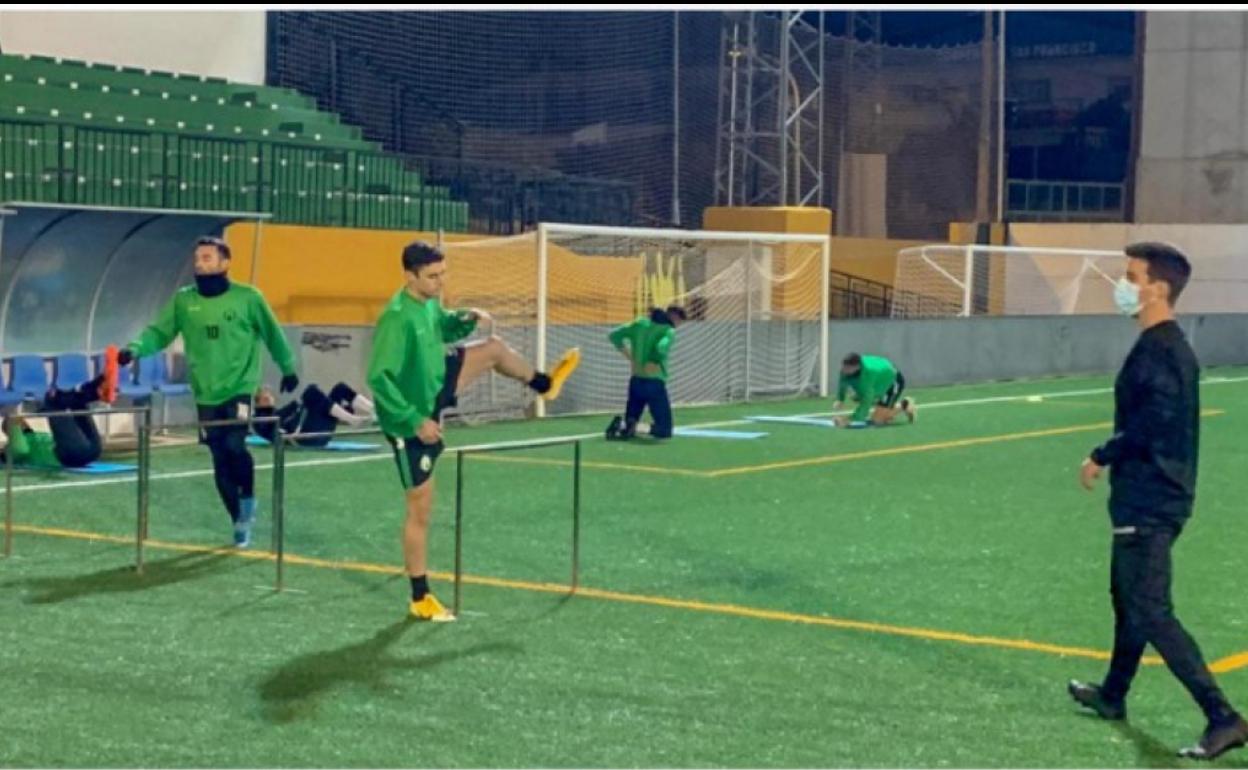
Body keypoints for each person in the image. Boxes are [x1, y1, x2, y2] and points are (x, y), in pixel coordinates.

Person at [1068, 241, 1247, 760]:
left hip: (1152, 499)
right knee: (1129, 602)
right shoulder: (1158, 346)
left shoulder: (1165, 350)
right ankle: (1113, 694)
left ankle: (1223, 716)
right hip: (1146, 496)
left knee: (1149, 608)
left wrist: (1101, 455)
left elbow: (1150, 425)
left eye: (1130, 276)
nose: (1121, 286)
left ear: (1157, 289)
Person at [367, 241, 580, 622]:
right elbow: (379, 379)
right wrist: (416, 420)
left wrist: (461, 319)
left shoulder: (428, 302)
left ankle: (544, 385)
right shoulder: (396, 318)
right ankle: (420, 596)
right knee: (421, 509)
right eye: (433, 277)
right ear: (409, 276)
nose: (440, 282)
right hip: (409, 418)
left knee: (493, 349)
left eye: (443, 274)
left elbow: (442, 327)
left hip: (435, 380)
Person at [117, 235, 298, 548]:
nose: (200, 264)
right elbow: (159, 332)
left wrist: (288, 367)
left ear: (225, 263)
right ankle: (238, 520)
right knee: (218, 455)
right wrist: (134, 350)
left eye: (207, 258)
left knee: (234, 444)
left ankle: (249, 498)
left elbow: (272, 333)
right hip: (205, 391)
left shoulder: (248, 298)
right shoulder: (184, 301)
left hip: (240, 387)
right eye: (198, 258)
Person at [604, 305, 686, 441]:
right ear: (674, 318)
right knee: (665, 430)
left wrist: (630, 356)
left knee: (631, 418)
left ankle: (623, 425)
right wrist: (653, 361)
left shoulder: (639, 324)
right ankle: (635, 427)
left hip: (636, 379)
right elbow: (661, 347)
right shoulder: (668, 331)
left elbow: (614, 335)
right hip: (654, 382)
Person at [1, 375, 109, 469]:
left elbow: (19, 423)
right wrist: (10, 422)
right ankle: (92, 389)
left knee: (76, 404)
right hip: (68, 455)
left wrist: (22, 425)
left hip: (91, 451)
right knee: (51, 399)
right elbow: (20, 450)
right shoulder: (12, 451)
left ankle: (95, 389)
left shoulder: (33, 436)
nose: (22, 422)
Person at [252, 381, 375, 448]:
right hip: (305, 439)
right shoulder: (259, 419)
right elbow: (277, 433)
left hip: (314, 432)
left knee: (340, 388)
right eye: (265, 398)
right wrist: (295, 407)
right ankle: (352, 420)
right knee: (311, 392)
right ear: (258, 402)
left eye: (270, 397)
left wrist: (296, 407)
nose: (269, 399)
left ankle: (376, 412)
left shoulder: (276, 411)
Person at [831, 353, 916, 428]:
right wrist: (840, 399)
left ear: (857, 367)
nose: (844, 370)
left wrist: (849, 419)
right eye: (844, 367)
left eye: (848, 368)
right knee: (856, 397)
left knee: (877, 421)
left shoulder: (867, 375)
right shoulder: (845, 370)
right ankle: (884, 408)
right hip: (878, 381)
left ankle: (904, 405)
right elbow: (842, 383)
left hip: (892, 381)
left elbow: (866, 401)